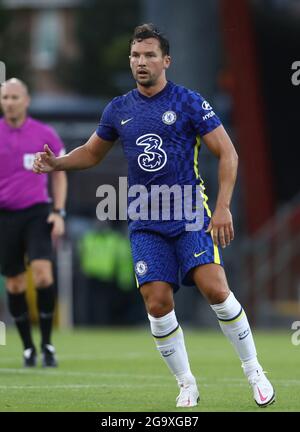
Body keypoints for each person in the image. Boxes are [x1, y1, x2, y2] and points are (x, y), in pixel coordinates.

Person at [33, 24, 275, 407]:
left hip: (190, 213)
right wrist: (58, 163)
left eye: (148, 55)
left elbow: (228, 154)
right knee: (157, 302)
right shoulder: (119, 108)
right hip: (145, 221)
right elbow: (93, 152)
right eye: (134, 55)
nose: (140, 62)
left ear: (166, 60)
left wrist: (224, 206)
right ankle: (186, 384)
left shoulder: (189, 102)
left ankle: (254, 372)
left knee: (215, 289)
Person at [0, 78, 67, 367]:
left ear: (26, 100)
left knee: (43, 275)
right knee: (14, 283)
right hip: (4, 217)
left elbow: (60, 172)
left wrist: (59, 211)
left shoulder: (44, 134)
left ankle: (48, 343)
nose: (10, 102)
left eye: (15, 97)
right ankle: (28, 348)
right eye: (5, 97)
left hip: (37, 212)